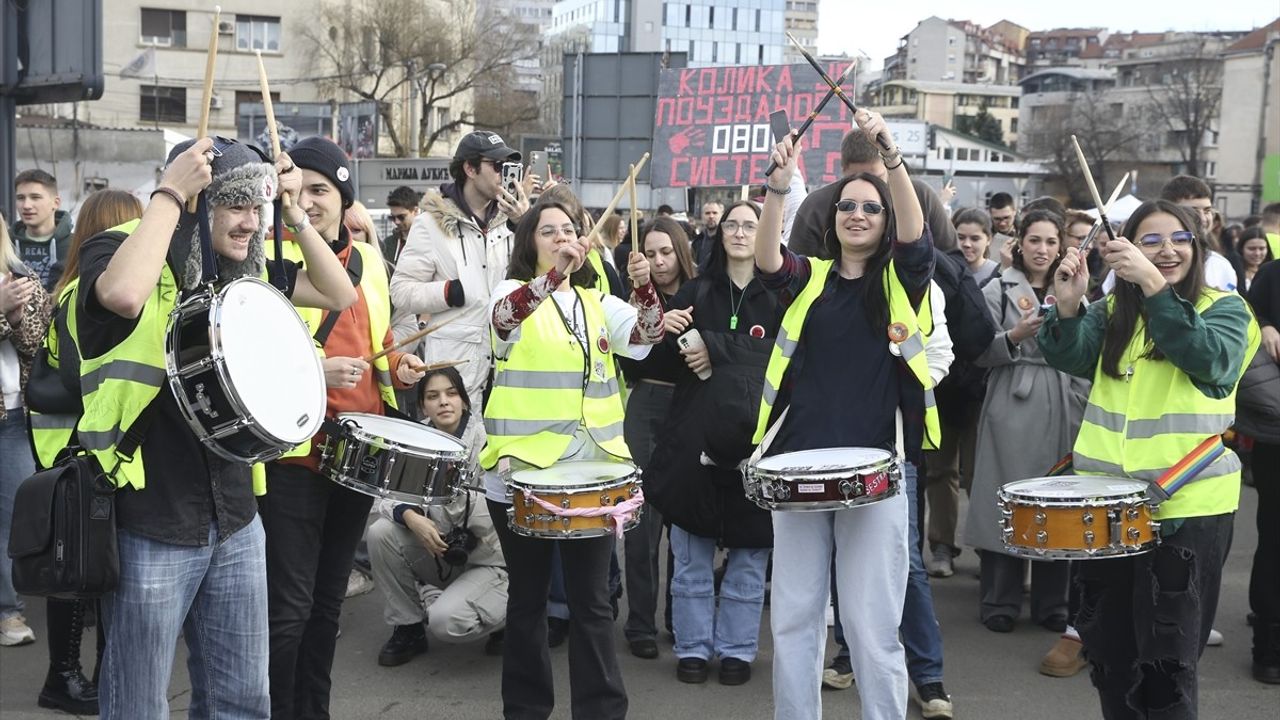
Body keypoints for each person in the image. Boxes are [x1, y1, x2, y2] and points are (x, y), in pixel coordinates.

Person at [76, 137, 355, 719]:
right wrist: (171, 191)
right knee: (136, 703)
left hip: (233, 516)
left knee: (242, 700)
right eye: (237, 205)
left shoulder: (243, 270)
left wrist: (295, 210)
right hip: (146, 514)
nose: (252, 222)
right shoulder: (117, 249)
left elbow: (339, 291)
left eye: (258, 207)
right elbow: (124, 296)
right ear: (201, 203)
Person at [1040, 199, 1259, 718]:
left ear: (1197, 245)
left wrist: (1157, 292)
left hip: (1188, 510)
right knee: (1112, 661)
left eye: (1178, 239)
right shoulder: (1114, 309)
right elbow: (1068, 356)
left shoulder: (1226, 308)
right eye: (1151, 241)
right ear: (1128, 249)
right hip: (1107, 507)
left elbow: (1212, 364)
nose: (1166, 251)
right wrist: (1068, 305)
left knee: (1168, 671)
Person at [754, 110, 937, 720]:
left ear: (884, 223)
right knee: (796, 620)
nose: (857, 213)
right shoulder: (810, 277)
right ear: (831, 219)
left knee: (872, 627)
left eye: (871, 207)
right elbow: (767, 260)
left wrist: (891, 155)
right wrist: (778, 185)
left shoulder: (898, 281)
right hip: (798, 467)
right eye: (847, 206)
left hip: (876, 474)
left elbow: (915, 235)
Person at [259, 135, 427, 719]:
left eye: (321, 190)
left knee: (328, 603)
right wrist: (314, 367)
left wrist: (397, 365)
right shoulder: (268, 256)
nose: (307, 199)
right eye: (298, 188)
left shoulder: (371, 260)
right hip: (292, 454)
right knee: (290, 606)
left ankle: (315, 711)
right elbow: (248, 355)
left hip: (358, 452)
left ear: (342, 196)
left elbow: (376, 340)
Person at [482, 197, 664, 719]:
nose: (562, 239)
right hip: (522, 474)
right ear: (529, 244)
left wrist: (644, 283)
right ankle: (525, 709)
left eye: (569, 230)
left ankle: (602, 710)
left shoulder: (597, 302)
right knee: (528, 600)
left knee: (592, 603)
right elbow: (504, 317)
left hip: (593, 476)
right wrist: (551, 279)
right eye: (548, 232)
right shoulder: (510, 292)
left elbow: (648, 335)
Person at [645, 201, 780, 686]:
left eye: (752, 224)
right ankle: (694, 647)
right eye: (733, 224)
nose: (741, 232)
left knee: (748, 557)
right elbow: (654, 369)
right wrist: (669, 337)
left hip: (760, 446)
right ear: (718, 233)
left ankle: (738, 650)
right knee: (690, 558)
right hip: (693, 440)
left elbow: (792, 358)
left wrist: (717, 347)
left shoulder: (783, 293)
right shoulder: (695, 291)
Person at [25, 190, 143, 714]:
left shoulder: (69, 288)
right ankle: (67, 677)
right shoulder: (88, 296)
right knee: (79, 568)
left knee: (81, 567)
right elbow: (96, 383)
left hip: (65, 450)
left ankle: (78, 675)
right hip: (82, 452)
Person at [966, 208, 1085, 635]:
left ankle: (1054, 601)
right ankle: (1000, 599)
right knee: (1007, 498)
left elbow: (1088, 350)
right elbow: (975, 350)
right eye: (1035, 240)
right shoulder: (997, 287)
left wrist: (1080, 398)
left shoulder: (1074, 289)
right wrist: (1014, 338)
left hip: (1061, 398)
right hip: (1011, 396)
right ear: (1019, 241)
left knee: (1059, 500)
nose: (1043, 250)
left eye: (1051, 242)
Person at [369, 366, 507, 666]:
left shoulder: (490, 440)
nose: (443, 402)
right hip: (445, 553)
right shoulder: (415, 439)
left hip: (490, 560)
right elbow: (384, 497)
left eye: (451, 393)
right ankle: (408, 628)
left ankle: (510, 620)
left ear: (465, 402)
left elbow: (486, 519)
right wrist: (410, 515)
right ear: (423, 406)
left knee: (446, 622)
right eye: (433, 396)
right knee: (381, 533)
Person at [390, 131, 529, 403]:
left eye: (510, 168)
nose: (505, 175)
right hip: (455, 372)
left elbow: (533, 279)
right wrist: (447, 293)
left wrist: (523, 225)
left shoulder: (513, 220)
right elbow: (400, 291)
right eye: (498, 166)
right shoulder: (431, 223)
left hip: (506, 364)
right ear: (470, 169)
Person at [620, 216, 697, 660]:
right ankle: (640, 622)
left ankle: (680, 617)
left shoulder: (700, 292)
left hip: (689, 407)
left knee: (685, 520)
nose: (658, 261)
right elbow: (633, 362)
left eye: (666, 251)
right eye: (649, 253)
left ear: (681, 252)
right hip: (645, 406)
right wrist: (651, 319)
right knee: (641, 522)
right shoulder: (629, 299)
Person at [0, 212, 51, 651]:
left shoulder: (22, 275)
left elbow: (38, 344)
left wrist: (16, 317)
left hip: (13, 417)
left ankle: (8, 610)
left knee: (11, 517)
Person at [790, 130, 957, 253]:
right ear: (843, 170)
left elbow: (953, 261)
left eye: (876, 178)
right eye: (847, 207)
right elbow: (792, 274)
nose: (858, 216)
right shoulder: (816, 206)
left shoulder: (920, 197)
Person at [1244, 258, 1280, 683]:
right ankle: (1269, 643)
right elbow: (1246, 318)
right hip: (1276, 432)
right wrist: (1265, 323)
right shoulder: (1273, 274)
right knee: (1274, 534)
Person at [11, 169, 74, 291]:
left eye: (35, 197)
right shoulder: (5, 243)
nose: (26, 206)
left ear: (55, 203)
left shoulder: (74, 245)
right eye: (20, 198)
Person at [384, 185, 423, 264]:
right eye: (392, 217)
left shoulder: (428, 241)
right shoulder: (388, 244)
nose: (396, 221)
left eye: (401, 217)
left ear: (415, 211)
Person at [1238, 227, 1273, 292]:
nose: (1257, 253)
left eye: (1261, 248)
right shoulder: (1233, 271)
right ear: (1241, 249)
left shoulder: (1273, 272)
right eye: (1252, 249)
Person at [691, 201, 724, 268]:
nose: (711, 216)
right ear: (702, 216)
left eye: (715, 213)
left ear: (722, 215)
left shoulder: (726, 241)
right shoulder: (697, 241)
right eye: (707, 213)